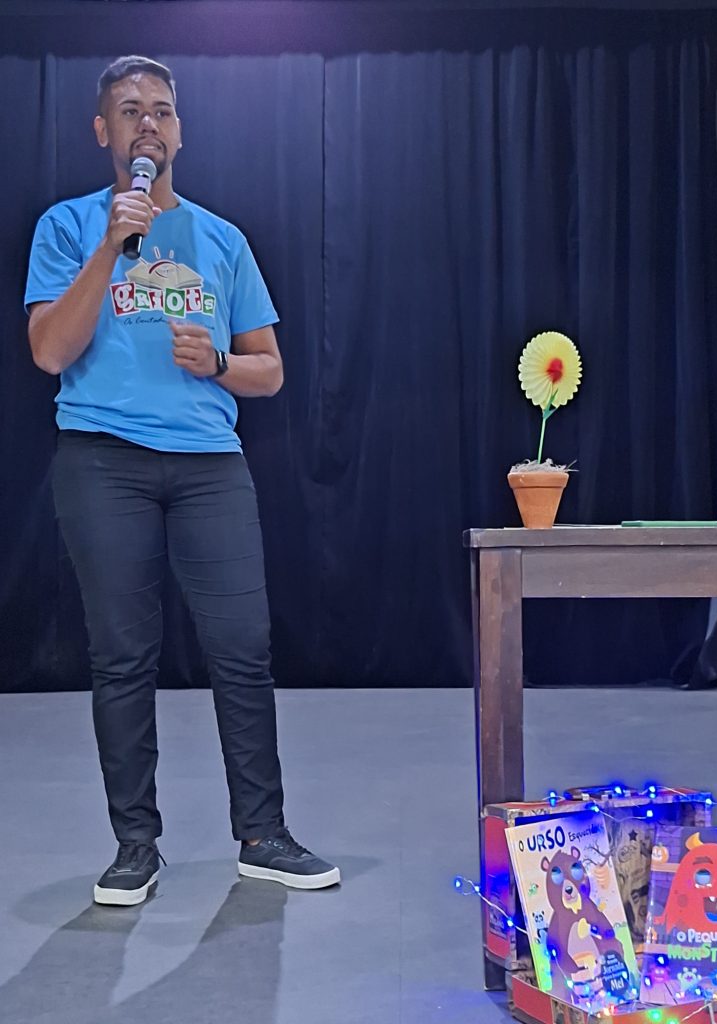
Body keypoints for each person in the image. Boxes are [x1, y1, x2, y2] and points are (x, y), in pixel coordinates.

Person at [24, 55, 340, 906]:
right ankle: (136, 845)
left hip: (209, 465)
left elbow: (271, 370)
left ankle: (264, 835)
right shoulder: (67, 226)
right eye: (131, 111)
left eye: (161, 111)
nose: (148, 124)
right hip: (102, 460)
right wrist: (110, 247)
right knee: (123, 656)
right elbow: (49, 350)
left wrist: (220, 363)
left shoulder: (221, 239)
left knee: (242, 648)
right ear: (104, 131)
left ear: (179, 131)